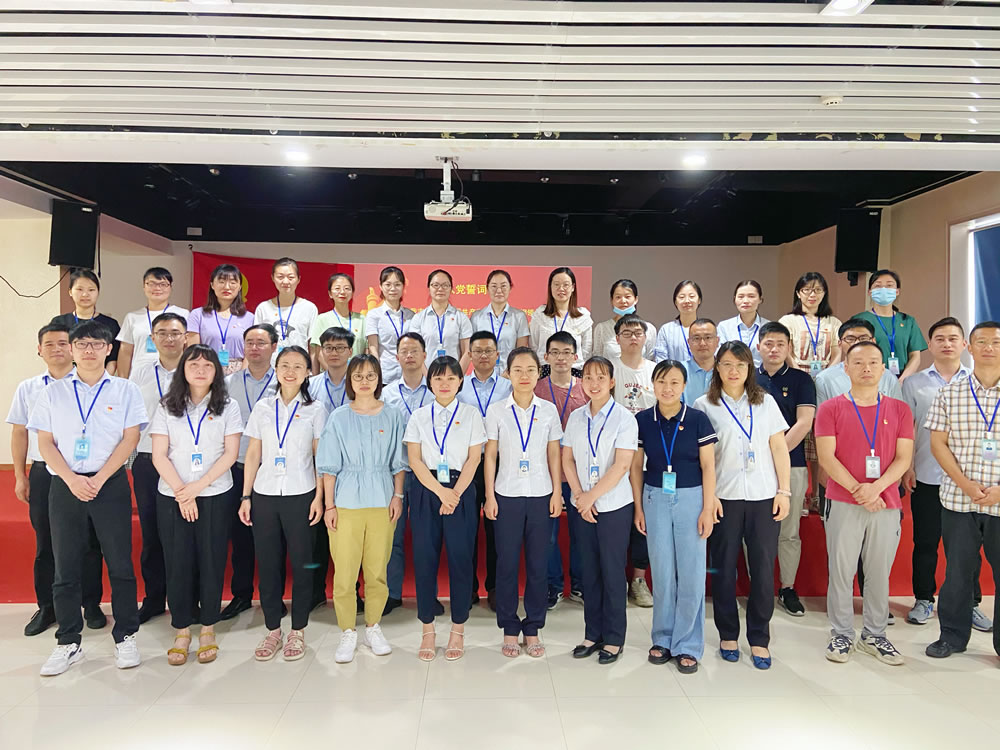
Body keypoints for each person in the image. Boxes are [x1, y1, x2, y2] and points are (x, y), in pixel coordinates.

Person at [29, 320, 146, 676]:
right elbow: (45, 442)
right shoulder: (52, 392)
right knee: (65, 566)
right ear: (72, 350)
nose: (89, 350)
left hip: (109, 484)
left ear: (109, 348)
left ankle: (126, 636)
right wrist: (72, 479)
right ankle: (68, 641)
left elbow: (130, 439)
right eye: (82, 344)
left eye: (97, 344)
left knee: (120, 564)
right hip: (65, 485)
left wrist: (99, 478)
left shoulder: (126, 390)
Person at [694, 341, 791, 670]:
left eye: (740, 364)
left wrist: (784, 491)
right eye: (726, 364)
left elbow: (779, 448)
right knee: (723, 569)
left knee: (763, 570)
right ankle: (728, 634)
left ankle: (760, 637)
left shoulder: (765, 402)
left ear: (749, 368)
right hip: (724, 497)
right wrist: (709, 497)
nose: (733, 370)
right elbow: (703, 459)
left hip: (764, 496)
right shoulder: (704, 405)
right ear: (717, 368)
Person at [816, 341, 913, 666]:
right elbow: (827, 458)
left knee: (878, 572)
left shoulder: (899, 410)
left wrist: (877, 489)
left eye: (873, 362)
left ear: (884, 368)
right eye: (858, 363)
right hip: (843, 500)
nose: (866, 368)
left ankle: (875, 634)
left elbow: (903, 458)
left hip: (886, 502)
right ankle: (841, 633)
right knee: (841, 571)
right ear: (846, 368)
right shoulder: (830, 408)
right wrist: (859, 490)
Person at [7, 323, 104, 637]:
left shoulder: (93, 385)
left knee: (90, 540)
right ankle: (47, 606)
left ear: (73, 348)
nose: (57, 349)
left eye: (63, 343)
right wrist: (20, 475)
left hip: (85, 473)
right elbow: (19, 433)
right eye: (49, 344)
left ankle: (91, 604)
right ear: (39, 350)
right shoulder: (29, 388)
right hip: (45, 473)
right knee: (46, 541)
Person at [151, 345, 242, 665]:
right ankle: (181, 629)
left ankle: (207, 628)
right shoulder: (167, 405)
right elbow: (159, 454)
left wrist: (197, 488)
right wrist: (182, 492)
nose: (201, 370)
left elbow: (230, 454)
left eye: (207, 365)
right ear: (183, 370)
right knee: (177, 562)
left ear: (217, 370)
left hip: (215, 494)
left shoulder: (228, 405)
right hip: (172, 496)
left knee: (211, 560)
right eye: (194, 364)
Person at [238, 346, 327, 661]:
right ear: (276, 370)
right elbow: (253, 454)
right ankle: (273, 629)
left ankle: (298, 630)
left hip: (301, 494)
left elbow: (320, 456)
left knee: (303, 565)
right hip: (264, 494)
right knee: (268, 564)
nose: (291, 371)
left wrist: (319, 497)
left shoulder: (316, 409)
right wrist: (246, 496)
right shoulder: (263, 407)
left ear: (307, 372)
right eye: (285, 365)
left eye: (298, 366)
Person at [902, 318, 991, 630]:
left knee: (967, 547)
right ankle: (923, 598)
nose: (947, 344)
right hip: (928, 474)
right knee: (925, 541)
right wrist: (908, 466)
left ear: (964, 345)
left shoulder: (978, 380)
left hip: (969, 479)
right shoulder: (913, 383)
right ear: (930, 345)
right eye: (940, 338)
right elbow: (907, 429)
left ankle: (970, 603)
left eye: (953, 338)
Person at [631, 360, 719, 674]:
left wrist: (707, 508)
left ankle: (688, 644)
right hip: (654, 497)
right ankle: (663, 638)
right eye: (661, 382)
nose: (667, 388)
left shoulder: (698, 420)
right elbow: (635, 467)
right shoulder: (643, 420)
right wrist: (639, 507)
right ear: (652, 385)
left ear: (683, 386)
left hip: (692, 498)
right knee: (663, 571)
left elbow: (708, 467)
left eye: (674, 382)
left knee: (692, 572)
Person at [317, 355, 406, 664]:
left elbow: (399, 463)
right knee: (345, 571)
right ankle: (347, 631)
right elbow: (328, 466)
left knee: (377, 570)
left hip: (382, 500)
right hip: (346, 503)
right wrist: (329, 505)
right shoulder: (339, 418)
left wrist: (398, 496)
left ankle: (373, 626)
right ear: (350, 381)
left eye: (370, 375)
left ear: (378, 378)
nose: (365, 381)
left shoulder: (392, 415)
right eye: (358, 376)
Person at [925, 321, 1000, 662]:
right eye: (981, 342)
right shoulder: (950, 392)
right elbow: (938, 443)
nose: (988, 348)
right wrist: (965, 483)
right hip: (959, 500)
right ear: (970, 348)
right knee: (957, 572)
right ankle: (952, 637)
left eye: (995, 342)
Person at [404, 355, 486, 661]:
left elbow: (474, 458)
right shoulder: (419, 416)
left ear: (460, 381)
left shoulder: (471, 414)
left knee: (461, 561)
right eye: (438, 378)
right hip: (427, 490)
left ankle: (457, 630)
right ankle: (427, 630)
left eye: (451, 378)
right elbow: (414, 460)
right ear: (430, 382)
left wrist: (455, 494)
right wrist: (441, 492)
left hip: (461, 490)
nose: (445, 383)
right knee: (424, 560)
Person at [485, 347, 563, 658]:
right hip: (506, 494)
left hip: (541, 493)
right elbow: (491, 456)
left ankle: (533, 627)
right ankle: (508, 627)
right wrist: (489, 495)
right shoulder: (496, 411)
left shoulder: (548, 411)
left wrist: (557, 492)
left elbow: (554, 453)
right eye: (517, 369)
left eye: (530, 369)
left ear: (539, 372)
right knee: (506, 564)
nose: (524, 375)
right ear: (507, 373)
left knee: (537, 565)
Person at [562, 356, 638, 664]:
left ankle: (615, 637)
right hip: (582, 505)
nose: (594, 383)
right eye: (588, 378)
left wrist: (591, 496)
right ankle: (592, 633)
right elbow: (567, 459)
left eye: (600, 377)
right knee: (589, 571)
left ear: (612, 382)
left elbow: (622, 465)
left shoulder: (624, 418)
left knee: (612, 571)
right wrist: (580, 496)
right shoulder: (576, 417)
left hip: (613, 506)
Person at [128, 311, 189, 624]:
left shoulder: (196, 370)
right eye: (162, 333)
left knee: (185, 533)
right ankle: (153, 598)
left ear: (186, 337)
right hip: (148, 459)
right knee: (152, 533)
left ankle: (187, 599)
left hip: (186, 463)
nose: (169, 338)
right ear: (152, 339)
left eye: (175, 333)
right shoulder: (139, 373)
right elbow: (128, 417)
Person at [755, 321, 816, 616]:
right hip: (753, 467)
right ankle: (760, 587)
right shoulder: (748, 378)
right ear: (758, 347)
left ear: (789, 347)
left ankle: (787, 588)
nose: (774, 349)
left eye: (780, 344)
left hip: (791, 464)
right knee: (754, 531)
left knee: (789, 531)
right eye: (768, 343)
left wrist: (775, 454)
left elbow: (804, 423)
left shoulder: (802, 380)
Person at [815, 319, 903, 518]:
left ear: (873, 340)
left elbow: (899, 428)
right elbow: (821, 429)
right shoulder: (825, 379)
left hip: (884, 474)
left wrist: (896, 475)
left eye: (863, 338)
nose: (857, 342)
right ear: (840, 343)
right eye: (850, 339)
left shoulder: (888, 378)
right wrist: (825, 467)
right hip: (839, 471)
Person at [221, 324, 278, 620]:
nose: (254, 348)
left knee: (275, 538)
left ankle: (274, 597)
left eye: (261, 343)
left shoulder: (284, 380)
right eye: (250, 342)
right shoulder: (227, 383)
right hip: (238, 466)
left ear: (274, 347)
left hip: (274, 470)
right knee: (240, 536)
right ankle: (241, 595)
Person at [458, 331, 512, 606]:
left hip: (499, 462)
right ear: (469, 354)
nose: (483, 356)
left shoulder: (508, 387)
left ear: (497, 354)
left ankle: (495, 587)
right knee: (466, 528)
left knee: (496, 528)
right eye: (477, 351)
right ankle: (467, 587)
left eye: (488, 351)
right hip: (467, 463)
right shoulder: (459, 386)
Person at [535, 331, 588, 609]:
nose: (561, 358)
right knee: (549, 535)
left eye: (566, 352)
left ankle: (579, 584)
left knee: (581, 532)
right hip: (545, 472)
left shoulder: (585, 388)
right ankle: (553, 585)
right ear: (546, 356)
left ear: (575, 356)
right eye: (555, 352)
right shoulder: (536, 388)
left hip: (579, 473)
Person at [383, 332, 435, 615]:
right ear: (397, 357)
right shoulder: (387, 393)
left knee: (427, 538)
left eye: (415, 350)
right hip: (395, 473)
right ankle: (391, 594)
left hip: (428, 473)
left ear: (425, 355)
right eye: (404, 351)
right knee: (393, 535)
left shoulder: (436, 391)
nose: (410, 355)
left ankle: (428, 596)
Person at [855, 269, 927, 382]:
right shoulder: (860, 320)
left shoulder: (907, 321)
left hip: (903, 380)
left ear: (897, 291)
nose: (884, 289)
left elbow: (915, 356)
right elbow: (855, 354)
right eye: (878, 286)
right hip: (871, 380)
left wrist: (901, 381)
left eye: (889, 285)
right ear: (869, 292)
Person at [116, 267, 187, 379]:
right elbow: (125, 353)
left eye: (163, 284)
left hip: (174, 376)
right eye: (151, 284)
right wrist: (123, 381)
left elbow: (188, 348)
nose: (157, 288)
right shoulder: (132, 317)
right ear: (144, 286)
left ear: (170, 287)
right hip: (139, 378)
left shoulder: (183, 314)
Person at [186, 263, 256, 375]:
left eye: (232, 282)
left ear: (239, 287)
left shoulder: (250, 318)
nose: (227, 287)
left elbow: (251, 351)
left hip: (239, 372)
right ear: (212, 285)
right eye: (222, 282)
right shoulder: (197, 315)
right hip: (206, 371)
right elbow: (193, 351)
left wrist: (242, 376)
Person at [50, 268, 121, 373]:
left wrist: (103, 381)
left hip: (100, 379)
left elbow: (113, 359)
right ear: (70, 291)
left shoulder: (110, 324)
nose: (85, 294)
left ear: (98, 292)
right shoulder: (59, 323)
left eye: (91, 290)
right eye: (80, 289)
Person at [778, 271, 842, 376]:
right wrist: (801, 376)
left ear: (824, 293)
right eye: (806, 290)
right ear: (798, 293)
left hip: (827, 376)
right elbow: (787, 354)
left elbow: (837, 353)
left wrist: (826, 376)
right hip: (796, 375)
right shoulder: (787, 321)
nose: (812, 295)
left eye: (818, 290)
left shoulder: (834, 322)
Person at [253, 257, 318, 358]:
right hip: (270, 365)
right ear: (273, 278)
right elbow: (257, 342)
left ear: (298, 279)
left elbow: (312, 347)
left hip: (299, 364)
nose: (286, 281)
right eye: (280, 277)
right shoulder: (263, 308)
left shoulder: (309, 308)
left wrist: (312, 368)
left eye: (291, 277)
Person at [410, 269, 473, 371]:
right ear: (429, 288)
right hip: (425, 376)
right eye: (435, 285)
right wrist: (427, 377)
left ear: (451, 288)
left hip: (453, 375)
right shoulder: (418, 318)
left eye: (445, 285)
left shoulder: (461, 318)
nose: (440, 289)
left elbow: (467, 351)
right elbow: (415, 351)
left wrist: (456, 376)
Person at [529, 267, 593, 364]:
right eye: (556, 284)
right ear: (550, 287)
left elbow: (586, 352)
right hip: (545, 369)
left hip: (574, 369)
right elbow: (534, 346)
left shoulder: (583, 317)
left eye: (566, 285)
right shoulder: (540, 315)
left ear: (573, 287)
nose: (561, 289)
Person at [471, 269, 530, 373]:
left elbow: (520, 352)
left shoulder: (519, 316)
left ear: (510, 288)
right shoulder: (477, 317)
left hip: (510, 374)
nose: (499, 291)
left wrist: (507, 374)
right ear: (487, 288)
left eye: (503, 286)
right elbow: (473, 350)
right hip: (483, 374)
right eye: (494, 286)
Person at [365, 265, 414, 385]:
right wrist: (376, 373)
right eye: (388, 284)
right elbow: (373, 347)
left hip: (408, 375)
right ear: (381, 286)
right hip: (385, 375)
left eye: (397, 284)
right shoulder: (374, 315)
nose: (393, 289)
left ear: (403, 287)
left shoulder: (411, 315)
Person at [310, 272, 367, 371]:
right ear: (330, 293)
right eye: (337, 288)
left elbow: (366, 350)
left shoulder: (362, 319)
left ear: (352, 293)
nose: (342, 292)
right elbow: (318, 352)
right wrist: (335, 374)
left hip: (356, 375)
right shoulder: (322, 319)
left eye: (347, 288)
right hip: (329, 375)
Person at [591, 279, 657, 361]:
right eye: (618, 297)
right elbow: (597, 360)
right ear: (612, 300)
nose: (623, 301)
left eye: (627, 297)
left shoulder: (649, 329)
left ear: (636, 299)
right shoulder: (602, 328)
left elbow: (651, 359)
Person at [611, 314, 656, 415]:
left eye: (638, 333)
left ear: (645, 338)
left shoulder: (655, 370)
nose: (633, 337)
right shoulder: (609, 368)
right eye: (627, 333)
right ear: (617, 339)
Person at [718, 280, 769, 368]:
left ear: (760, 299)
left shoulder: (769, 327)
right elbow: (719, 356)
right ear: (735, 299)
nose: (745, 301)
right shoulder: (724, 327)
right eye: (741, 297)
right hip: (732, 373)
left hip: (762, 374)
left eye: (751, 296)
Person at [654, 280, 703, 363]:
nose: (687, 301)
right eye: (681, 297)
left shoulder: (707, 329)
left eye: (691, 296)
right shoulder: (666, 330)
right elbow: (661, 361)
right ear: (675, 302)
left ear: (699, 300)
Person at [309, 326, 353, 413]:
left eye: (340, 348)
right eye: (328, 348)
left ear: (350, 352)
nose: (334, 353)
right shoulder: (311, 385)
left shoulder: (359, 383)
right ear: (322, 351)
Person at [682, 319, 719, 405]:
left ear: (717, 341)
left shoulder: (726, 370)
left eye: (708, 338)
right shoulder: (679, 371)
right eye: (696, 338)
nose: (702, 343)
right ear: (689, 342)